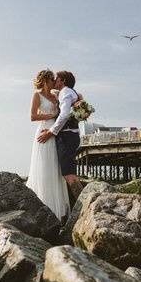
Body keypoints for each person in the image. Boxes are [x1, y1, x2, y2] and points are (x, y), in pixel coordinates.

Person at [26, 69, 70, 220]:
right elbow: (32, 116)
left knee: (55, 167)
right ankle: (44, 209)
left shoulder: (56, 95)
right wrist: (51, 115)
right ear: (45, 81)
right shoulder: (37, 95)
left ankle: (59, 212)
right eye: (52, 80)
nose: (54, 82)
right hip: (44, 131)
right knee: (44, 168)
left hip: (55, 133)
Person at [37, 70, 83, 199]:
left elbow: (64, 115)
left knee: (68, 174)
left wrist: (51, 132)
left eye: (57, 79)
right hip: (72, 135)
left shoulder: (65, 93)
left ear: (63, 81)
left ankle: (85, 204)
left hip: (66, 137)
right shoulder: (70, 92)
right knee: (70, 171)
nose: (55, 80)